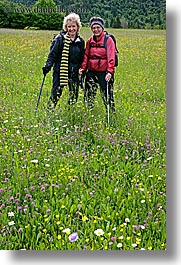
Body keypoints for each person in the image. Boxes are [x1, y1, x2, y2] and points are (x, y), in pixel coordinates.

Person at [42, 13, 85, 110]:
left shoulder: (80, 42)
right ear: (66, 27)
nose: (71, 29)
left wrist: (82, 68)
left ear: (78, 27)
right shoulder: (60, 39)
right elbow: (53, 54)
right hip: (60, 71)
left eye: (73, 26)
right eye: (69, 26)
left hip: (74, 72)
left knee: (74, 94)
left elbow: (82, 57)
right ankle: (49, 112)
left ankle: (69, 113)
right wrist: (48, 66)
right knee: (56, 93)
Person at [79, 16, 116, 112]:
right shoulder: (89, 42)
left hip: (104, 73)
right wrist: (83, 68)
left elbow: (111, 57)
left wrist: (110, 72)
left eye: (98, 27)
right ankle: (88, 113)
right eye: (93, 28)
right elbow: (86, 56)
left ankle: (111, 113)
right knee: (89, 95)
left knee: (107, 95)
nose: (95, 30)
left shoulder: (108, 40)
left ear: (102, 28)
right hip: (91, 72)